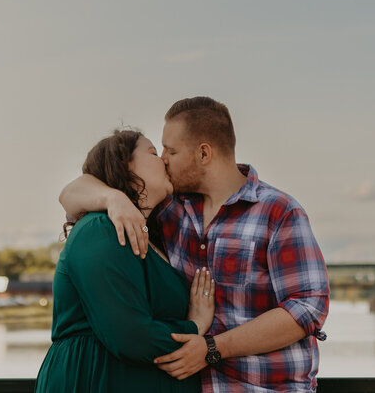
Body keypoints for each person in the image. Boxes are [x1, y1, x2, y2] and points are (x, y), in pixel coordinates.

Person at [60, 97, 330, 392]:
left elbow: (307, 307)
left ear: (203, 153)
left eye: (171, 151)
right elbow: (70, 194)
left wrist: (213, 347)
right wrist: (113, 198)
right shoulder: (169, 211)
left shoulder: (278, 212)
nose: (163, 158)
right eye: (158, 150)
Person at [35, 129, 216, 393]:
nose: (165, 160)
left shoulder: (155, 233)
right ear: (125, 166)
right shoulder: (100, 229)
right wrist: (196, 324)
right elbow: (131, 336)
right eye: (154, 152)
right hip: (95, 380)